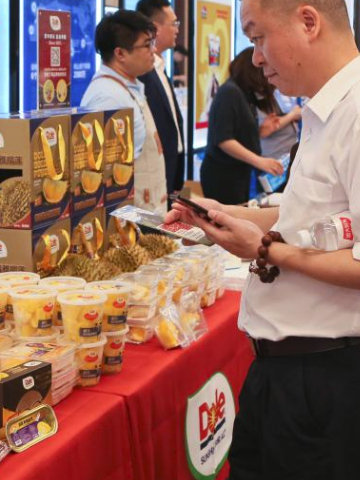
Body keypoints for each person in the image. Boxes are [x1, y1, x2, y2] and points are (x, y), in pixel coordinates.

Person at [167, 0, 360, 474]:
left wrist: (264, 248)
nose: (255, 57)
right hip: (284, 372)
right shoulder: (326, 114)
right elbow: (308, 214)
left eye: (257, 37)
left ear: (308, 22)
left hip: (325, 376)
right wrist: (221, 214)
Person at [80, 11, 167, 214]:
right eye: (146, 45)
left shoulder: (129, 86)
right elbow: (105, 176)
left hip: (149, 211)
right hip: (132, 221)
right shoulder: (107, 97)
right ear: (120, 54)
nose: (153, 51)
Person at [199, 48, 284, 205]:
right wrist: (259, 161)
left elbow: (237, 133)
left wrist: (260, 132)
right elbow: (224, 140)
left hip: (237, 173)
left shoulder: (244, 94)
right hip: (222, 175)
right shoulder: (230, 92)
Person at [136, 0, 186, 198]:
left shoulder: (160, 67)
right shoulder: (142, 73)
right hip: (154, 180)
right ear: (155, 28)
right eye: (174, 24)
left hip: (171, 173)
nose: (177, 30)